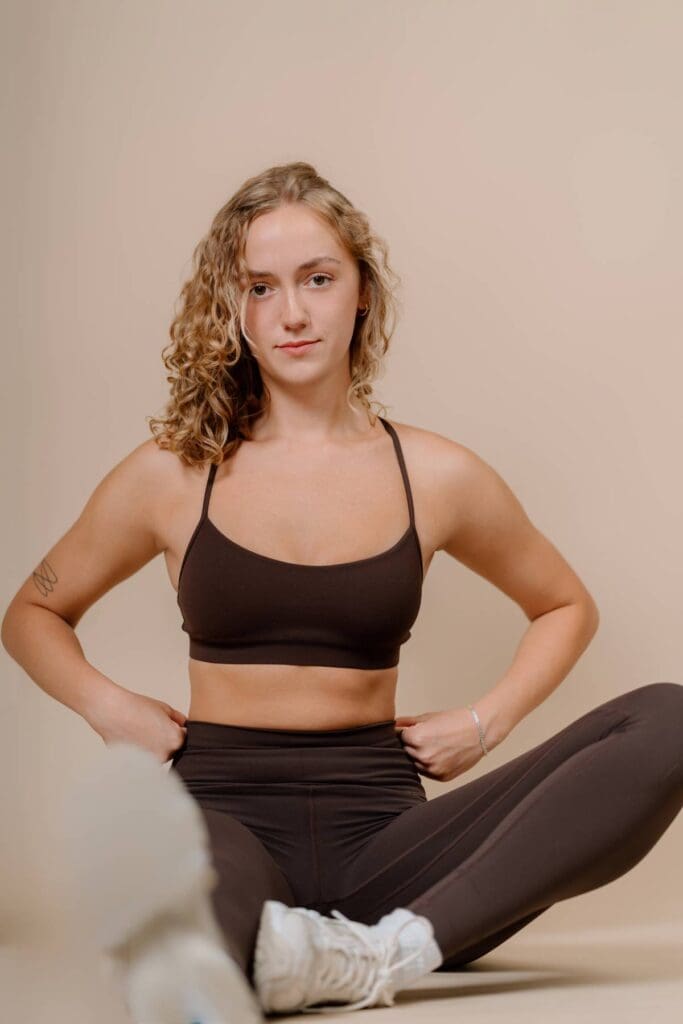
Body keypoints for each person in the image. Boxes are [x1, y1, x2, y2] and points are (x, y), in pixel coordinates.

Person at [2, 161, 682, 1024]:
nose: (291, 312)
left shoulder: (437, 475)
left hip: (390, 844)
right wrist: (107, 705)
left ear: (360, 292)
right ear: (234, 307)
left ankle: (381, 953)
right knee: (180, 933)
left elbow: (563, 604)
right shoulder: (172, 474)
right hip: (224, 813)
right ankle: (298, 951)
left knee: (668, 718)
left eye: (317, 279)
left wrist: (486, 721)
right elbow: (32, 612)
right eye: (260, 286)